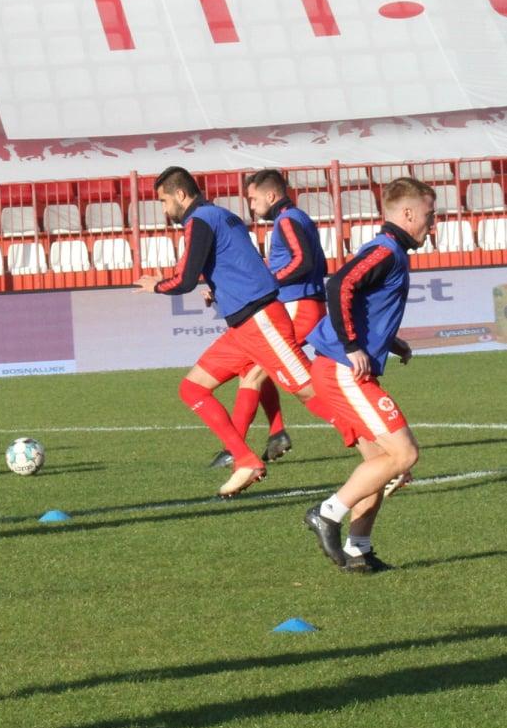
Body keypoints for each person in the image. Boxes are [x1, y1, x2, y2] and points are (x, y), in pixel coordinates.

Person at [135, 166, 324, 498]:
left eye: (164, 202)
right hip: (243, 326)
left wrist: (157, 286)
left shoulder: (200, 220)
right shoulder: (218, 215)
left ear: (180, 195)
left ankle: (380, 441)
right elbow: (238, 262)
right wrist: (218, 288)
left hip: (261, 319)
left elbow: (185, 280)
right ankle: (246, 460)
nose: (164, 211)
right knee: (192, 389)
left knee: (310, 391)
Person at [300, 176, 433, 573]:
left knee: (379, 463)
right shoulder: (386, 250)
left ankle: (358, 550)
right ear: (407, 214)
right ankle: (326, 513)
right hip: (342, 369)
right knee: (405, 454)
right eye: (429, 214)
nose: (433, 222)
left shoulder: (393, 251)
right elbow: (341, 284)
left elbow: (364, 302)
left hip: (338, 367)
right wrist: (353, 345)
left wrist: (391, 341)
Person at [208, 171, 327, 469]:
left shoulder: (287, 220)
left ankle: (234, 449)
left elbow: (304, 262)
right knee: (254, 369)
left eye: (252, 198)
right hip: (297, 305)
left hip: (298, 307)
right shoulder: (291, 218)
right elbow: (294, 262)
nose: (251, 204)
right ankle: (275, 434)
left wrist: (270, 282)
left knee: (253, 375)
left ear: (270, 195)